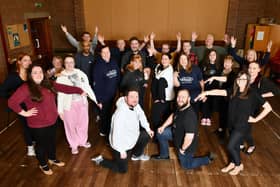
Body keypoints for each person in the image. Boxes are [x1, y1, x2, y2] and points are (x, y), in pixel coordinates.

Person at [8, 64, 85, 175]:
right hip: (38, 124)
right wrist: (24, 113)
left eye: (40, 72)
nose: (38, 74)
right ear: (30, 75)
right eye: (35, 72)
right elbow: (12, 102)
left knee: (51, 142)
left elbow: (64, 88)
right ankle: (43, 164)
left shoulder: (47, 84)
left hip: (52, 121)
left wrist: (79, 90)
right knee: (41, 145)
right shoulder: (25, 88)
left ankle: (52, 159)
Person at [195, 71, 272, 175]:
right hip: (231, 123)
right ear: (237, 80)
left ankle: (239, 165)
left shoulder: (252, 93)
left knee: (230, 146)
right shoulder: (233, 91)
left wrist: (255, 119)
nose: (241, 81)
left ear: (248, 81)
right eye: (239, 79)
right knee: (234, 146)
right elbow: (220, 92)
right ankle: (232, 163)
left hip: (242, 126)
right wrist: (206, 93)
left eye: (244, 79)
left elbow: (268, 108)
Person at [91, 88, 154, 173]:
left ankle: (136, 155)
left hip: (132, 137)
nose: (135, 99)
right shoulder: (120, 113)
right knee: (122, 169)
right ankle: (100, 160)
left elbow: (141, 115)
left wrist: (148, 128)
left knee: (146, 135)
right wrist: (121, 150)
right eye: (132, 96)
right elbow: (116, 134)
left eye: (136, 96)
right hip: (120, 144)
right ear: (125, 98)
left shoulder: (135, 105)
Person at [151, 89, 215, 169]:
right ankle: (164, 156)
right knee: (161, 133)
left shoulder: (189, 116)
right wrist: (163, 126)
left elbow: (189, 137)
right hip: (176, 134)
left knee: (186, 166)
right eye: (179, 96)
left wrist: (182, 149)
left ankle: (208, 159)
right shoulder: (181, 106)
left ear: (189, 99)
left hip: (186, 144)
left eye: (183, 97)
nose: (180, 99)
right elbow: (173, 115)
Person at [56, 55, 99, 155]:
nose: (69, 64)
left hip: (82, 103)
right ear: (64, 64)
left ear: (74, 63)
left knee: (83, 123)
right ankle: (73, 144)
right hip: (69, 105)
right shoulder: (61, 77)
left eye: (71, 62)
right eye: (67, 62)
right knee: (70, 125)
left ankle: (83, 141)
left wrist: (95, 100)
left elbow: (87, 87)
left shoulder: (80, 73)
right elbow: (60, 96)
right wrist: (60, 111)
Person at [240, 61, 280, 154]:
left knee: (246, 128)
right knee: (239, 125)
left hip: (253, 108)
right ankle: (241, 143)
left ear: (259, 69)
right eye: (250, 68)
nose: (251, 70)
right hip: (243, 105)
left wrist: (261, 96)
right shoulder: (245, 77)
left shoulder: (263, 80)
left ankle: (251, 144)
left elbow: (277, 91)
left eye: (254, 68)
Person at [0, 53, 35, 156]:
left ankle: (34, 140)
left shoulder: (31, 74)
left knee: (34, 123)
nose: (29, 62)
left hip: (33, 103)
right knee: (26, 125)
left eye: (29, 60)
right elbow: (2, 91)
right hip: (21, 107)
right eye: (25, 60)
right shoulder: (13, 77)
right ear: (19, 62)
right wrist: (13, 96)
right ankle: (30, 147)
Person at [204, 55, 237, 141]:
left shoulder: (233, 74)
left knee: (226, 116)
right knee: (221, 115)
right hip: (220, 97)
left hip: (228, 98)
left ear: (232, 64)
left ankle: (225, 135)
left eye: (228, 62)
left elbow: (225, 79)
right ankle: (220, 129)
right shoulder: (221, 71)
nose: (226, 64)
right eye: (225, 62)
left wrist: (214, 77)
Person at [93, 46, 120, 137]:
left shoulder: (113, 61)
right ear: (100, 54)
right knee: (105, 115)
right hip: (103, 96)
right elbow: (96, 85)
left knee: (111, 113)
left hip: (113, 94)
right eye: (104, 52)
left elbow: (117, 75)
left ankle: (109, 129)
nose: (106, 54)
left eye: (107, 51)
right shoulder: (98, 66)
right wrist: (99, 100)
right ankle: (103, 131)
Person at [146, 51, 175, 132]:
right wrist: (150, 54)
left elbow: (162, 85)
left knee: (155, 116)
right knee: (164, 116)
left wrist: (159, 99)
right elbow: (154, 65)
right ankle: (161, 133)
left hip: (164, 98)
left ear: (170, 60)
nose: (164, 60)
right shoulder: (161, 67)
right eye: (162, 59)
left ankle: (158, 134)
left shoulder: (168, 71)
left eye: (166, 59)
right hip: (161, 97)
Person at [200, 49, 222, 126]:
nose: (212, 56)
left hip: (215, 88)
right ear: (208, 56)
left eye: (214, 55)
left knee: (212, 101)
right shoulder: (204, 65)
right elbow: (201, 78)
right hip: (205, 87)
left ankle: (208, 117)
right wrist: (202, 89)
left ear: (216, 56)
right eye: (210, 55)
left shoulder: (219, 66)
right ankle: (204, 117)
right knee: (204, 99)